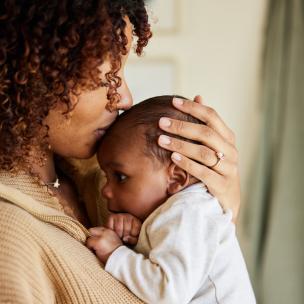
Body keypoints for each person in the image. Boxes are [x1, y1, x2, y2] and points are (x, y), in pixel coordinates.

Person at [0, 1, 241, 303]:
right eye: (106, 79)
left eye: (123, 73)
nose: (125, 97)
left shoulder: (111, 171)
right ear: (32, 72)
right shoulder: (9, 237)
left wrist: (221, 208)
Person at [87, 95, 256, 304]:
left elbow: (168, 293)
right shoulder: (184, 210)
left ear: (176, 178)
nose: (105, 191)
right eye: (106, 176)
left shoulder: (187, 211)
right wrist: (140, 237)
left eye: (120, 177)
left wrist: (116, 253)